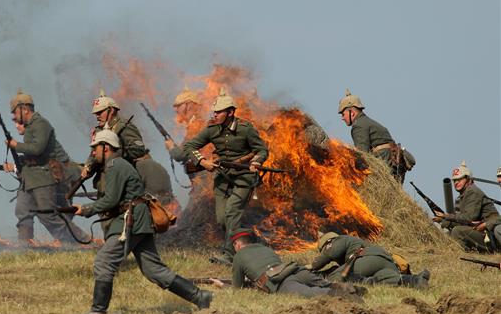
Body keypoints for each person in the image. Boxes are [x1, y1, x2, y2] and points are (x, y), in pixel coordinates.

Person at [72, 130, 212, 313]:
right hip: (139, 221)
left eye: (95, 148)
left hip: (132, 221)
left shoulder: (115, 165)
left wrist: (86, 209)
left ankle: (97, 313)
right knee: (154, 270)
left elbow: (111, 200)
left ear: (106, 148)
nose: (93, 152)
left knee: (104, 261)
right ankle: (200, 296)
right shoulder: (118, 165)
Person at [183, 88, 269, 265]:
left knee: (231, 213)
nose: (215, 114)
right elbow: (189, 147)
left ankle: (230, 255)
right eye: (214, 111)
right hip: (222, 177)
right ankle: (250, 241)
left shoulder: (246, 129)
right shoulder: (212, 129)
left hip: (244, 176)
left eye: (219, 112)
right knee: (222, 219)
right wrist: (203, 162)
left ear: (230, 112)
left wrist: (257, 162)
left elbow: (261, 150)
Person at [4, 89, 89, 245]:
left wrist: (16, 145)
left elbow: (37, 149)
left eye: (15, 112)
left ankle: (81, 241)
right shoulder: (30, 126)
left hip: (44, 176)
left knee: (47, 214)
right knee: (22, 210)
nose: (14, 117)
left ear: (25, 109)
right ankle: (24, 243)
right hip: (30, 177)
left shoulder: (41, 124)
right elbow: (32, 154)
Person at [81, 89, 176, 206]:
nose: (97, 116)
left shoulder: (124, 126)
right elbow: (94, 153)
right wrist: (88, 166)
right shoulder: (98, 131)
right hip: (107, 180)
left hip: (125, 178)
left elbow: (138, 149)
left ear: (111, 110)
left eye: (100, 112)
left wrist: (115, 153)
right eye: (96, 113)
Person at [210, 232, 365, 301]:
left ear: (237, 244)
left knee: (312, 293)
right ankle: (347, 288)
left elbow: (238, 290)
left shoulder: (238, 256)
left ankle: (345, 296)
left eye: (234, 245)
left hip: (281, 282)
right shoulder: (265, 248)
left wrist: (222, 285)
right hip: (296, 270)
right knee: (326, 283)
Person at [337, 89, 413, 184]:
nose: (342, 118)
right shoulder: (366, 122)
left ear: (351, 112)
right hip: (392, 162)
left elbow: (362, 154)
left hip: (385, 161)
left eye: (343, 114)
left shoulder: (359, 125)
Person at [309, 232, 430, 289]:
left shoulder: (338, 240)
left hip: (367, 258)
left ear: (328, 242)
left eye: (323, 249)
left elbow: (323, 259)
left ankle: (364, 281)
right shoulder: (353, 242)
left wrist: (308, 269)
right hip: (387, 261)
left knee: (335, 276)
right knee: (382, 281)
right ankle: (416, 280)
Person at [433, 161, 501, 252]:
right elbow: (462, 220)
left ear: (468, 180)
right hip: (481, 231)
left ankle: (462, 253)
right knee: (445, 227)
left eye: (459, 179)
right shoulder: (462, 196)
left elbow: (468, 218)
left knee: (457, 231)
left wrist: (446, 216)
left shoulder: (473, 192)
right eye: (454, 180)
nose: (456, 183)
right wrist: (443, 221)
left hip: (490, 234)